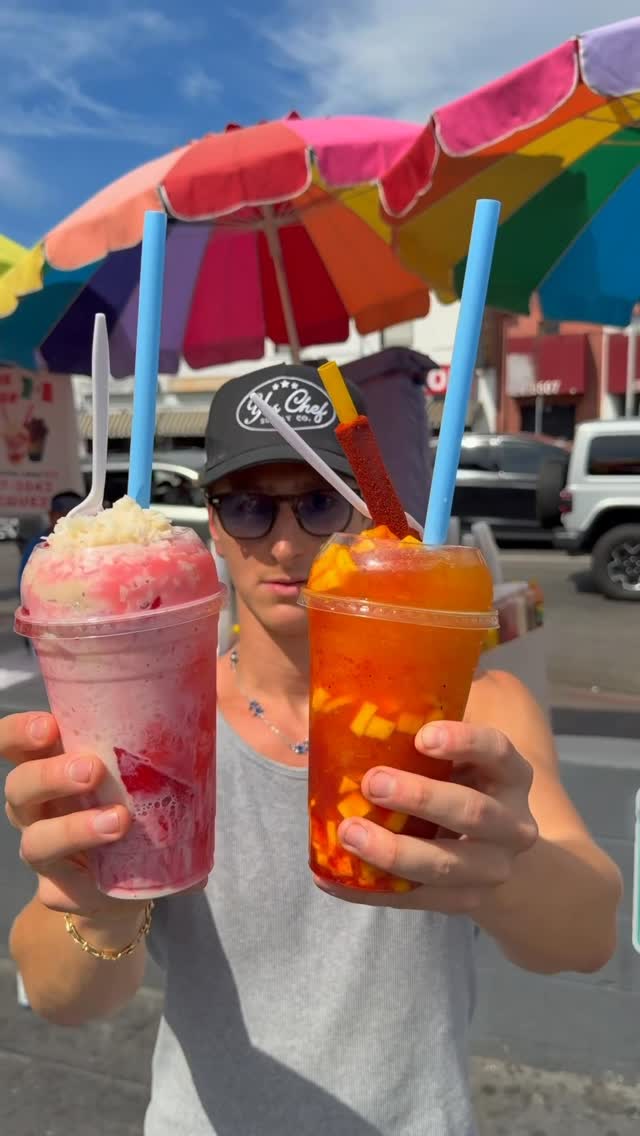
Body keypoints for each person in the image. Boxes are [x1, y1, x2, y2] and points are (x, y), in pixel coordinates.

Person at [3, 365, 622, 1136]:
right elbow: (65, 1000)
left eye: (321, 501)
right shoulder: (155, 721)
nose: (288, 541)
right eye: (250, 506)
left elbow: (589, 937)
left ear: (368, 514)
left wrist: (502, 868)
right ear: (215, 528)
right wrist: (93, 908)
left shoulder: (473, 708)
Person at [17, 490, 84, 589]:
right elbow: (25, 583)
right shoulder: (38, 544)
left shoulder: (88, 541)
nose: (68, 519)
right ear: (51, 515)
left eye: (74, 514)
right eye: (62, 514)